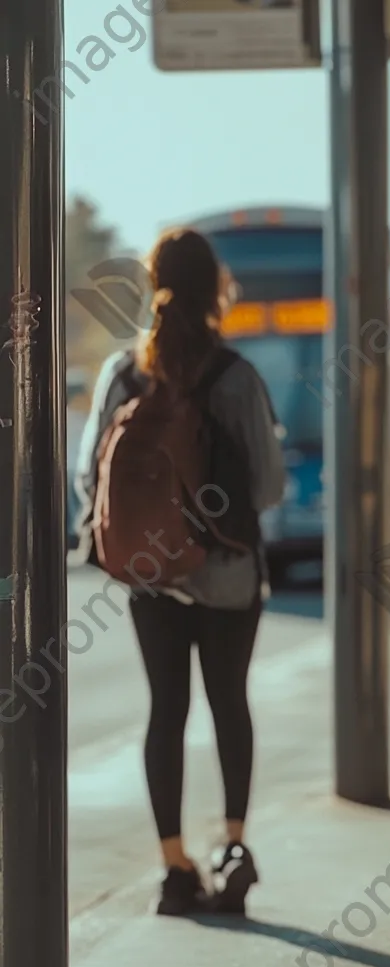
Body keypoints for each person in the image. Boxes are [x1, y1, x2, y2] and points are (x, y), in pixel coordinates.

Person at [74, 228, 285, 917]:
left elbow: (89, 476)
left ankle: (172, 868)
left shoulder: (121, 373)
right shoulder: (236, 376)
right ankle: (233, 847)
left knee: (166, 712)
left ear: (151, 281)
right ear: (217, 288)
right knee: (230, 705)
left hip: (148, 576)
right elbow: (269, 488)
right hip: (225, 576)